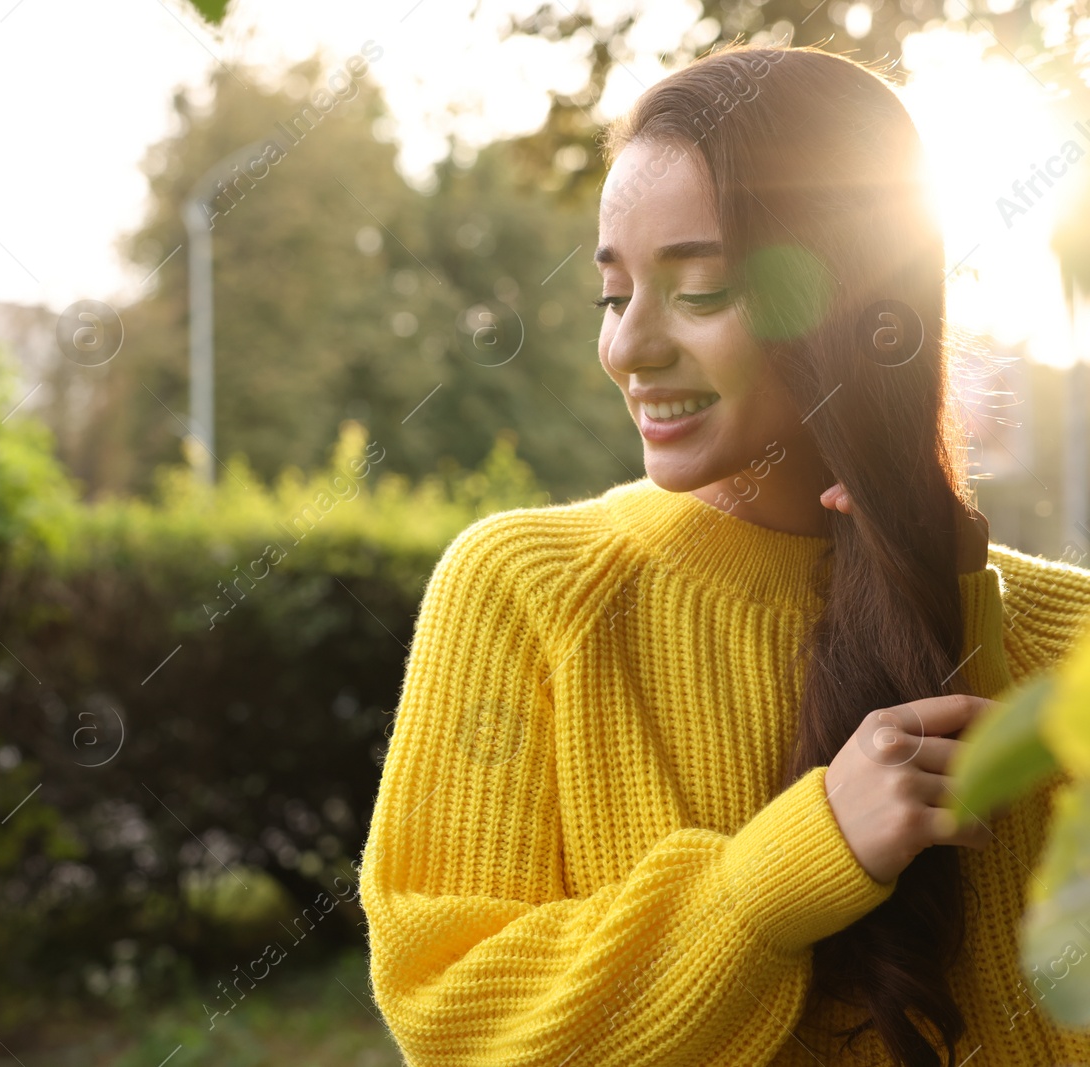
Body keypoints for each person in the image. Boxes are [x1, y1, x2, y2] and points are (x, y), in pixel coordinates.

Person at [357, 43, 1090, 1066]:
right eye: (613, 295)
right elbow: (452, 1010)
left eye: (697, 291)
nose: (627, 346)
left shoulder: (1067, 638)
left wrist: (955, 603)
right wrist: (784, 871)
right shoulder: (524, 588)